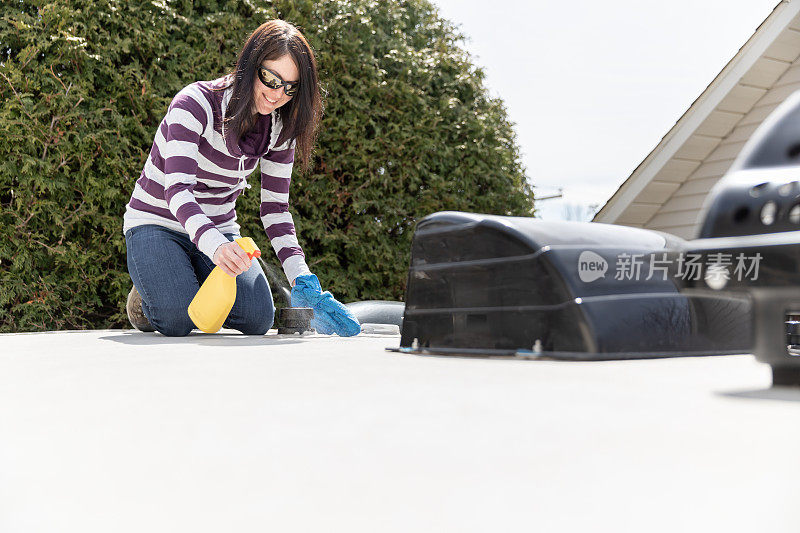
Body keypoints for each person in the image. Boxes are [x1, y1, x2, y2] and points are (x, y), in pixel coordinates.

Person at [122, 19, 360, 337]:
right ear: (251, 64)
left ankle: (182, 274)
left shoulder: (279, 129)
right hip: (158, 223)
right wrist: (217, 247)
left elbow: (275, 211)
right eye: (271, 79)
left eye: (291, 88)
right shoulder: (195, 104)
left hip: (219, 230)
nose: (278, 96)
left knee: (258, 318)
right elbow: (177, 189)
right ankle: (147, 296)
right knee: (177, 318)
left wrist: (302, 278)